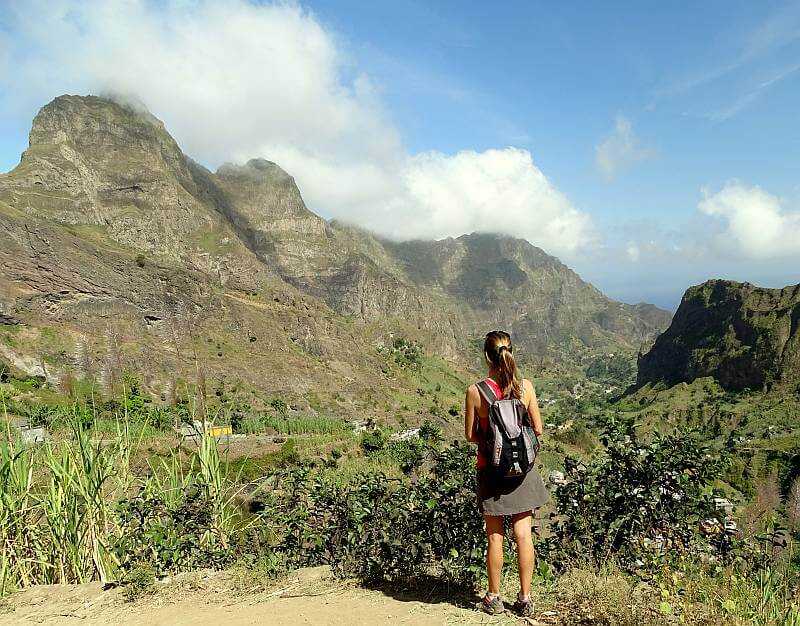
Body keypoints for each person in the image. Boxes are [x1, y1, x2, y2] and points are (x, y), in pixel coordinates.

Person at [464, 330, 548, 617]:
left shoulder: (476, 392)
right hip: (523, 471)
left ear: (486, 356)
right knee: (523, 533)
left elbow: (470, 436)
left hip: (491, 471)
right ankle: (525, 599)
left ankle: (494, 597)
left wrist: (493, 440)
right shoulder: (526, 387)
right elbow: (537, 429)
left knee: (495, 536)